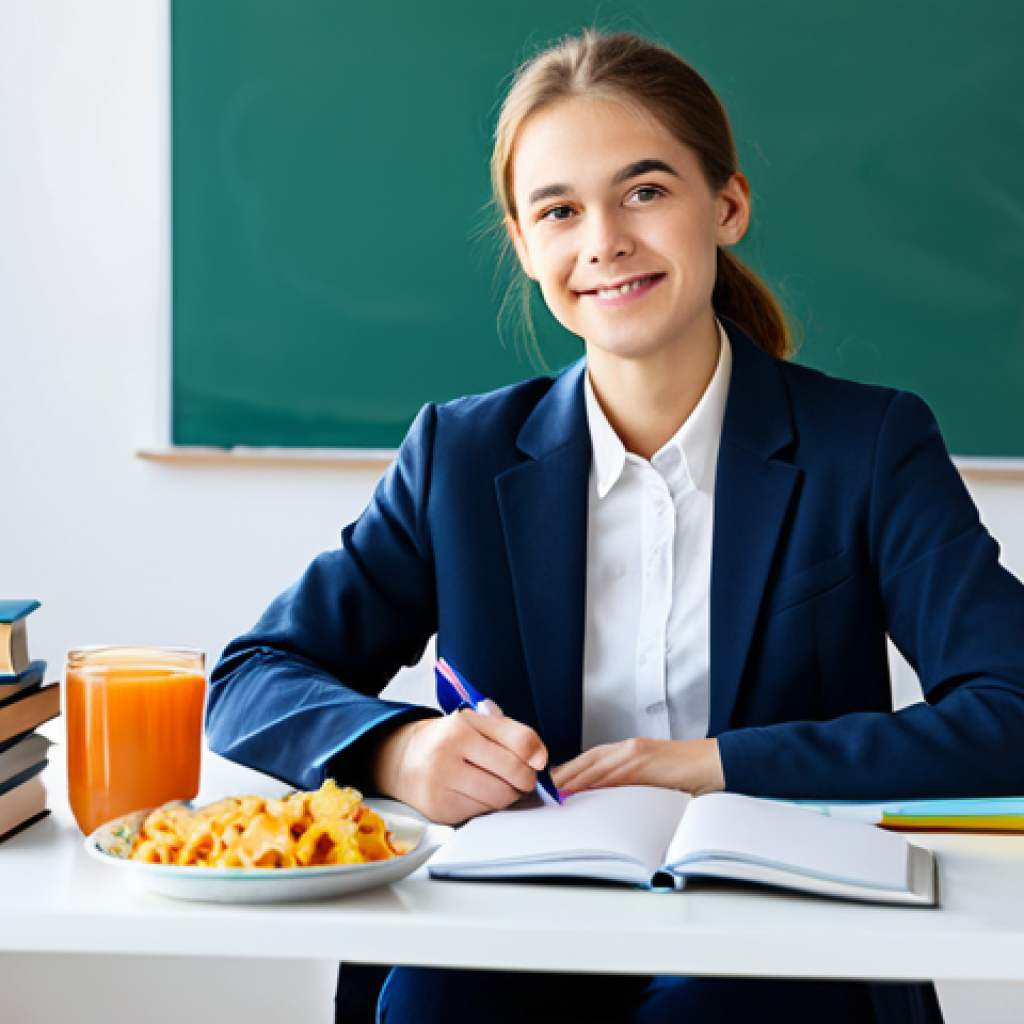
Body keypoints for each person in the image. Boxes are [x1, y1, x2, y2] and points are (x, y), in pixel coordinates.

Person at [207, 29, 1024, 1024]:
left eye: (644, 191)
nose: (603, 240)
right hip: (513, 925)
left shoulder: (868, 443)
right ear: (523, 243)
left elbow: (1010, 704)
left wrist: (714, 766)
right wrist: (401, 752)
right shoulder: (459, 455)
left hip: (781, 932)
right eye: (559, 210)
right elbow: (252, 677)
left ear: (724, 207)